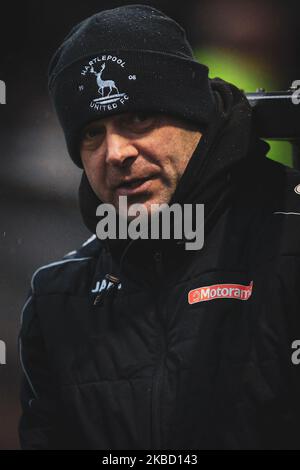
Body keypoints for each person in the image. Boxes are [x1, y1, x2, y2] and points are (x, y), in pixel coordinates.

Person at [19, 4, 300, 450]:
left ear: (195, 117)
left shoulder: (289, 244)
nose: (115, 153)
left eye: (138, 119)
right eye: (92, 133)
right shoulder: (57, 299)